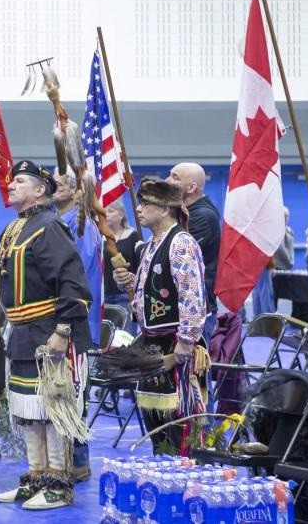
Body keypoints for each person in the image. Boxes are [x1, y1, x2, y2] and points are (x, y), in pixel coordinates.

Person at [0, 160, 92, 511]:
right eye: (11, 180)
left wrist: (63, 331)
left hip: (49, 331)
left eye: (19, 181)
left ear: (40, 191)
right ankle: (35, 477)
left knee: (54, 411)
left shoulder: (49, 226)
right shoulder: (14, 228)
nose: (11, 184)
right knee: (27, 410)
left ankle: (58, 484)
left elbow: (72, 281)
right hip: (22, 333)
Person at [113, 179, 205, 455]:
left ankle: (184, 474)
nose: (139, 210)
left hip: (175, 343)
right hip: (153, 344)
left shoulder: (180, 244)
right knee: (156, 419)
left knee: (179, 419)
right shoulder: (151, 244)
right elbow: (155, 287)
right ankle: (163, 466)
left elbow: (191, 293)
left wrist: (187, 340)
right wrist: (127, 282)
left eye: (145, 204)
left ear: (165, 209)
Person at [167, 163, 219, 338]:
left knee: (193, 364)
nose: (167, 180)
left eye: (175, 177)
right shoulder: (183, 213)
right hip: (178, 304)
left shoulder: (203, 217)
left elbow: (176, 257)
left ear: (191, 187)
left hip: (195, 309)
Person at [52, 169, 103, 346]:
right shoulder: (60, 222)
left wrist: (65, 322)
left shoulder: (82, 226)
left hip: (74, 323)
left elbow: (78, 277)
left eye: (58, 185)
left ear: (75, 190)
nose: (52, 188)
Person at [103, 201, 139, 334]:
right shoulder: (101, 238)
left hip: (126, 295)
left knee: (126, 336)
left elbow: (139, 265)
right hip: (105, 294)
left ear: (122, 215)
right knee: (105, 337)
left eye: (111, 211)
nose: (106, 214)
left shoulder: (133, 236)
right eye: (104, 210)